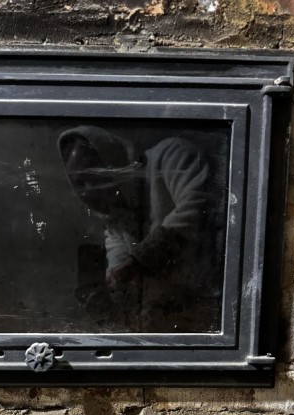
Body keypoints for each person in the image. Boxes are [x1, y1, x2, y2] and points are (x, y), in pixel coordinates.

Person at [58, 125, 221, 332]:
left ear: (111, 159)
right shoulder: (116, 223)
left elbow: (200, 208)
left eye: (93, 173)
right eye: (80, 183)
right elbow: (120, 272)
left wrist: (138, 261)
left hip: (212, 309)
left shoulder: (171, 155)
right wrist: (110, 292)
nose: (89, 189)